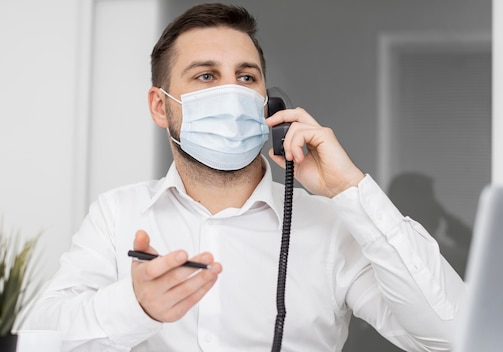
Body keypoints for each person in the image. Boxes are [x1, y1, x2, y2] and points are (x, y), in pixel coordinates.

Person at [23, 3, 467, 351]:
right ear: (161, 107)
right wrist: (135, 307)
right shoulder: (116, 214)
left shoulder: (329, 224)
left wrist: (349, 188)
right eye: (206, 75)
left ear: (268, 102)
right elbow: (41, 337)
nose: (231, 92)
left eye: (246, 76)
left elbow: (455, 338)